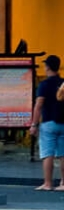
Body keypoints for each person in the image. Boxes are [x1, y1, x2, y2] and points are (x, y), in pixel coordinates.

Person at [36, 56, 64, 190]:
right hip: (63, 122)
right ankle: (63, 183)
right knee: (63, 154)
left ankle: (48, 183)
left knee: (48, 154)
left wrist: (34, 124)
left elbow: (39, 105)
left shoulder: (44, 85)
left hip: (48, 123)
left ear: (47, 67)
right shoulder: (63, 83)